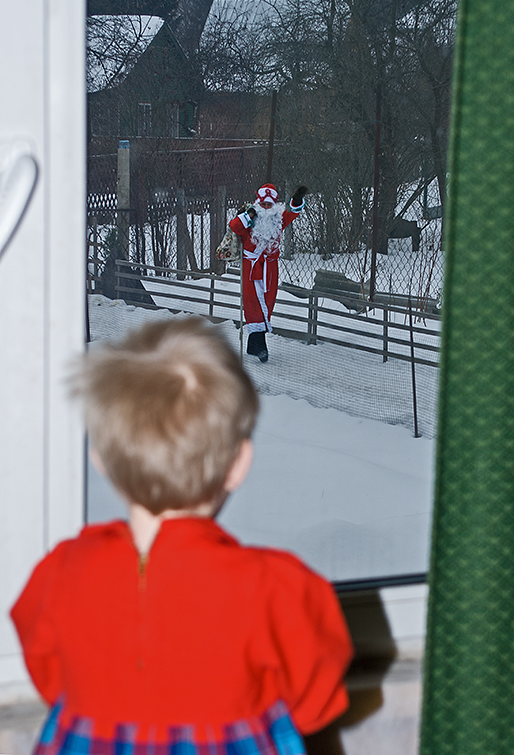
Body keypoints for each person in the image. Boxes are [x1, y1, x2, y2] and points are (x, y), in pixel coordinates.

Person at [11, 317, 353, 755]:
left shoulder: (61, 572)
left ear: (102, 460)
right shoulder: (275, 588)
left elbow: (47, 672)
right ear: (238, 464)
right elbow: (315, 699)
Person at [230, 183, 307, 362]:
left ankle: (254, 346)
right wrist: (248, 215)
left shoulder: (278, 219)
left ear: (274, 205)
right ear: (258, 203)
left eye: (269, 205)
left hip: (270, 268)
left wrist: (296, 201)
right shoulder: (250, 218)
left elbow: (292, 213)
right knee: (253, 302)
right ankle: (260, 348)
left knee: (268, 302)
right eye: (263, 204)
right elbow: (234, 226)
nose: (266, 208)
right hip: (252, 266)